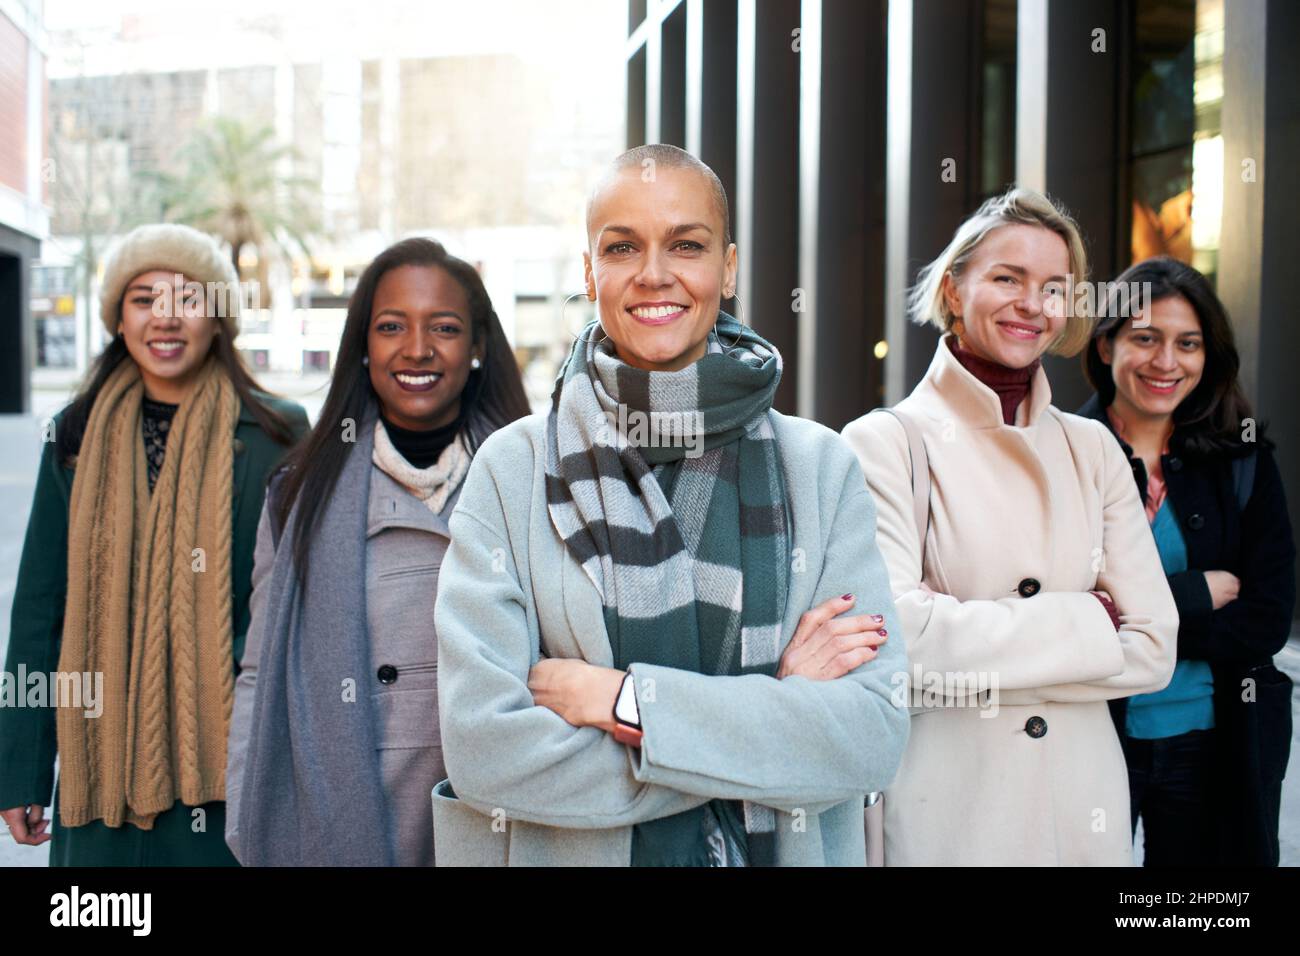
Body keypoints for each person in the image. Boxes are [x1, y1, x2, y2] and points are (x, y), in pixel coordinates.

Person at [430, 144, 909, 867]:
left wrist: (623, 703)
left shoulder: (819, 468)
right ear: (590, 271)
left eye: (686, 244)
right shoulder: (514, 471)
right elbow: (487, 753)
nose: (655, 273)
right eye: (622, 247)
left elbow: (869, 736)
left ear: (729, 266)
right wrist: (770, 712)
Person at [841, 187, 1178, 865]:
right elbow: (898, 643)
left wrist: (962, 633)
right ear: (954, 288)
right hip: (952, 815)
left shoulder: (1091, 447)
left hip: (1082, 814)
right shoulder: (883, 442)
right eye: (1007, 278)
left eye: (1054, 287)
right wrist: (1088, 623)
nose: (1033, 304)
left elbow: (1153, 646)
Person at [0, 223, 308, 865]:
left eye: (187, 298)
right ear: (118, 318)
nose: (164, 319)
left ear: (218, 317)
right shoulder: (75, 433)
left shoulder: (279, 430)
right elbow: (39, 606)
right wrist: (22, 769)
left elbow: (295, 604)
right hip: (101, 767)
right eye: (143, 299)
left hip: (224, 764)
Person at [225, 238, 529, 866]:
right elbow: (260, 670)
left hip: (500, 808)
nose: (417, 349)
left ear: (476, 346)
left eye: (444, 328)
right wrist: (245, 813)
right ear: (363, 345)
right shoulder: (300, 493)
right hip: (348, 807)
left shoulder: (534, 480)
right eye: (391, 326)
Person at [1079, 255, 1295, 866]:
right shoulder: (1061, 454)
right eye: (1144, 338)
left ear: (1208, 355)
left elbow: (1266, 620)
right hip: (1090, 741)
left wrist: (1132, 614)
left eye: (1188, 343)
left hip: (1212, 742)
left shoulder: (1243, 460)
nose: (1166, 362)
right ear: (1105, 345)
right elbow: (1048, 609)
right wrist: (1195, 594)